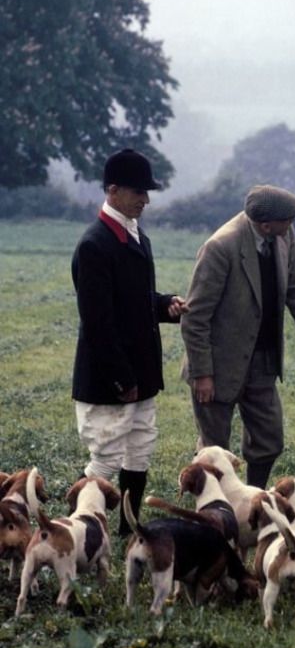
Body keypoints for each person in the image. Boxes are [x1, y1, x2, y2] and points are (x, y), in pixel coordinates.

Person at [181, 184, 295, 489]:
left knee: (269, 439)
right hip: (219, 364)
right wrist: (203, 374)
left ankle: (254, 498)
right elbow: (194, 316)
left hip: (262, 359)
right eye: (287, 221)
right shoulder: (221, 247)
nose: (292, 226)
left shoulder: (283, 235)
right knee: (214, 450)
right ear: (265, 224)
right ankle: (213, 512)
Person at [71, 148, 188, 535]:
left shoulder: (138, 238)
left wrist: (164, 304)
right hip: (110, 379)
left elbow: (134, 302)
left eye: (147, 191)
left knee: (139, 450)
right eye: (138, 191)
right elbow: (99, 323)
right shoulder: (94, 245)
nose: (146, 199)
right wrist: (122, 379)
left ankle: (126, 528)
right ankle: (81, 530)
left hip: (142, 372)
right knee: (105, 458)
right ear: (112, 190)